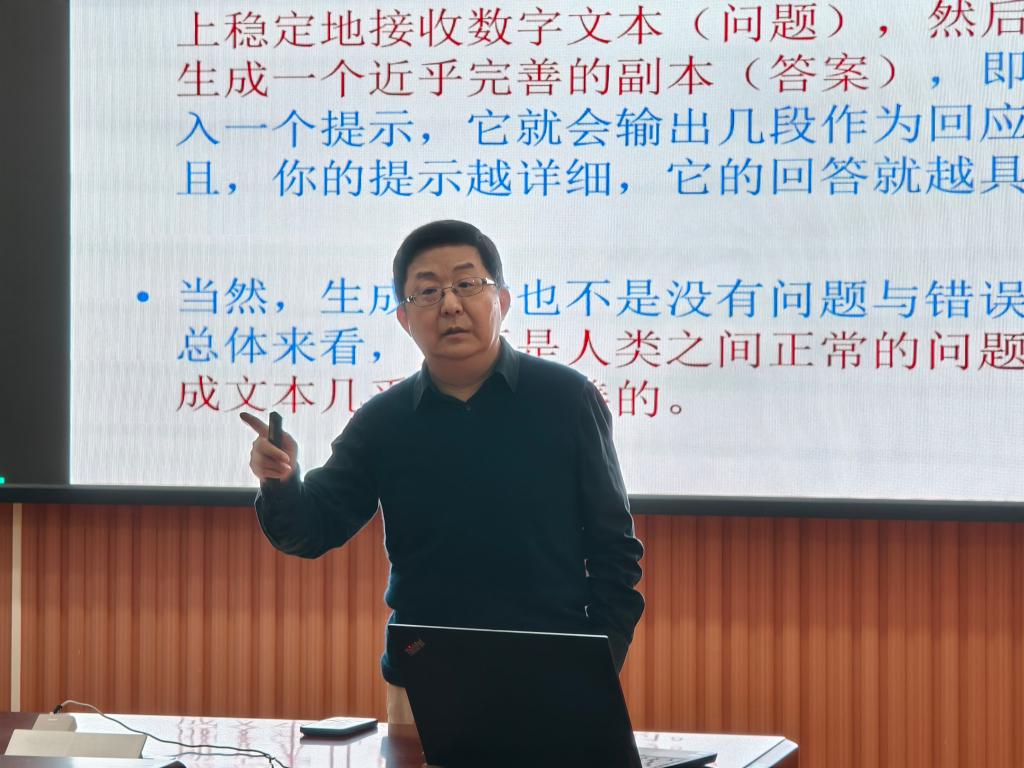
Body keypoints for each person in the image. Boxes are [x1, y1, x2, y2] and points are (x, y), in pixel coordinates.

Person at [241, 220, 644, 724]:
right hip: (425, 678)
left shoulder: (567, 399)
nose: (450, 304)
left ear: (502, 300)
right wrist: (281, 483)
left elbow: (615, 551)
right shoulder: (384, 421)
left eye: (467, 283)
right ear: (404, 319)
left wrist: (595, 662)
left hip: (556, 671)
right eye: (428, 291)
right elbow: (312, 530)